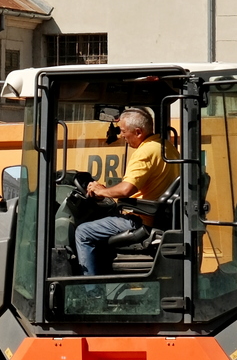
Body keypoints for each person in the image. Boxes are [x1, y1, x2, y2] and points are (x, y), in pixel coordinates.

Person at [75, 106, 177, 275]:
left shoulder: (145, 152)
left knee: (83, 232)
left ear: (137, 132)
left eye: (123, 131)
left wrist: (101, 191)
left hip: (140, 219)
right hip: (156, 217)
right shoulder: (166, 146)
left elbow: (126, 190)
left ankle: (90, 292)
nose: (121, 136)